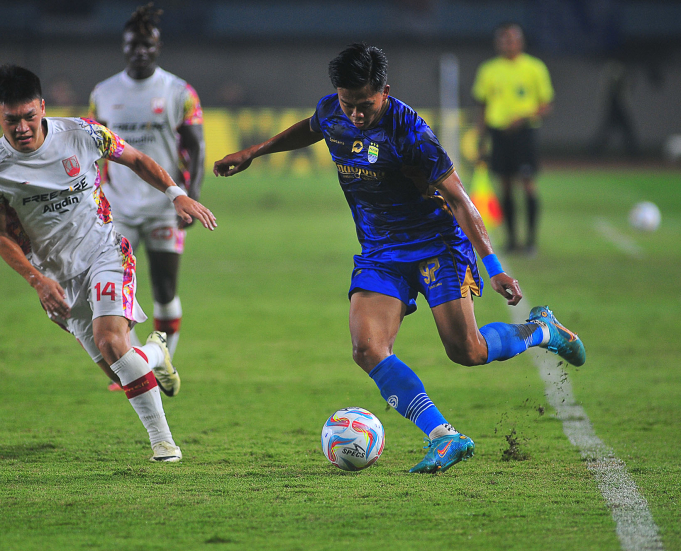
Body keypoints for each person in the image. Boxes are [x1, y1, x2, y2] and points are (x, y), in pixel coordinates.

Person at [214, 43, 584, 474]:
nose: (354, 114)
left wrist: (494, 265)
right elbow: (313, 127)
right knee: (367, 347)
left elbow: (461, 199)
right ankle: (444, 437)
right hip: (380, 251)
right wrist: (254, 152)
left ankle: (540, 330)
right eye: (346, 103)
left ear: (384, 91)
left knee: (467, 351)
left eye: (364, 105)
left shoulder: (411, 133)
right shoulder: (333, 110)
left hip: (435, 246)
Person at [0, 64, 217, 462]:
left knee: (111, 341)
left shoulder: (81, 134)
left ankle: (164, 446)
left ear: (43, 108)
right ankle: (156, 352)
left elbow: (135, 158)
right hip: (55, 278)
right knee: (119, 368)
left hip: (104, 251)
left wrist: (177, 194)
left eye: (30, 116)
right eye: (11, 119)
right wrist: (37, 280)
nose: (22, 128)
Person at [89, 3, 205, 392]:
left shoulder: (179, 92)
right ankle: (136, 365)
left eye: (148, 44)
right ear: (124, 47)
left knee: (164, 288)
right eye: (134, 44)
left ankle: (162, 360)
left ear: (158, 47)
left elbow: (197, 148)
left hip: (161, 207)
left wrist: (189, 197)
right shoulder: (103, 94)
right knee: (113, 293)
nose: (141, 50)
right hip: (116, 208)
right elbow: (94, 151)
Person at [472, 23, 554, 255]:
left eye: (512, 39)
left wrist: (525, 117)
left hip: (524, 133)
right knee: (505, 186)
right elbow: (483, 106)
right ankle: (511, 240)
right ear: (498, 43)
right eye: (503, 39)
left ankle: (530, 241)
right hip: (499, 134)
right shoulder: (488, 70)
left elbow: (546, 104)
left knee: (528, 184)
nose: (507, 43)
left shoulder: (535, 68)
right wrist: (481, 137)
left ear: (521, 42)